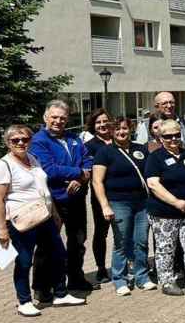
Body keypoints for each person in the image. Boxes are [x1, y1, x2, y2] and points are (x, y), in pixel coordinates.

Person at [0, 124, 86, 316]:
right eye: (15, 140)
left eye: (24, 139)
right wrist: (2, 229)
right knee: (24, 261)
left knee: (58, 254)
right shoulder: (4, 165)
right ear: (8, 143)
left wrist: (55, 214)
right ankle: (24, 301)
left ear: (30, 141)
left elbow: (43, 188)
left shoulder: (33, 159)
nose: (20, 143)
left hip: (44, 216)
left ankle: (60, 294)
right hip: (21, 221)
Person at [29, 100, 95, 296]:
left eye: (62, 118)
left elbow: (88, 160)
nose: (58, 121)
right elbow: (49, 169)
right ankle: (42, 286)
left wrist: (82, 179)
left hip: (76, 198)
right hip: (53, 199)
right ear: (45, 118)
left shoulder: (74, 138)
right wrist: (79, 173)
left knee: (78, 241)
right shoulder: (38, 140)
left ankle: (75, 277)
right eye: (54, 117)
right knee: (47, 244)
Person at [92, 117, 156, 296]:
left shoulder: (141, 149)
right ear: (112, 131)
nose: (122, 132)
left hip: (142, 203)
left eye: (125, 128)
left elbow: (150, 174)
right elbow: (97, 181)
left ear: (131, 130)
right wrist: (105, 205)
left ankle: (142, 276)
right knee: (121, 242)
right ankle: (119, 279)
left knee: (141, 241)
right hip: (118, 202)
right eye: (118, 129)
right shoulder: (105, 152)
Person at [144, 119, 185, 296]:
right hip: (165, 213)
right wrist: (176, 202)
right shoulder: (155, 158)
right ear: (160, 137)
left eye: (176, 135)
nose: (173, 139)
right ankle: (167, 282)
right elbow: (154, 184)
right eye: (168, 136)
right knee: (166, 248)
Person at [84, 109, 114, 284]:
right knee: (101, 232)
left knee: (123, 232)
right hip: (101, 195)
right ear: (93, 126)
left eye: (105, 121)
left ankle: (124, 264)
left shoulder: (119, 141)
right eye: (98, 122)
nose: (102, 125)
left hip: (122, 194)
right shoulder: (89, 146)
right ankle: (101, 268)